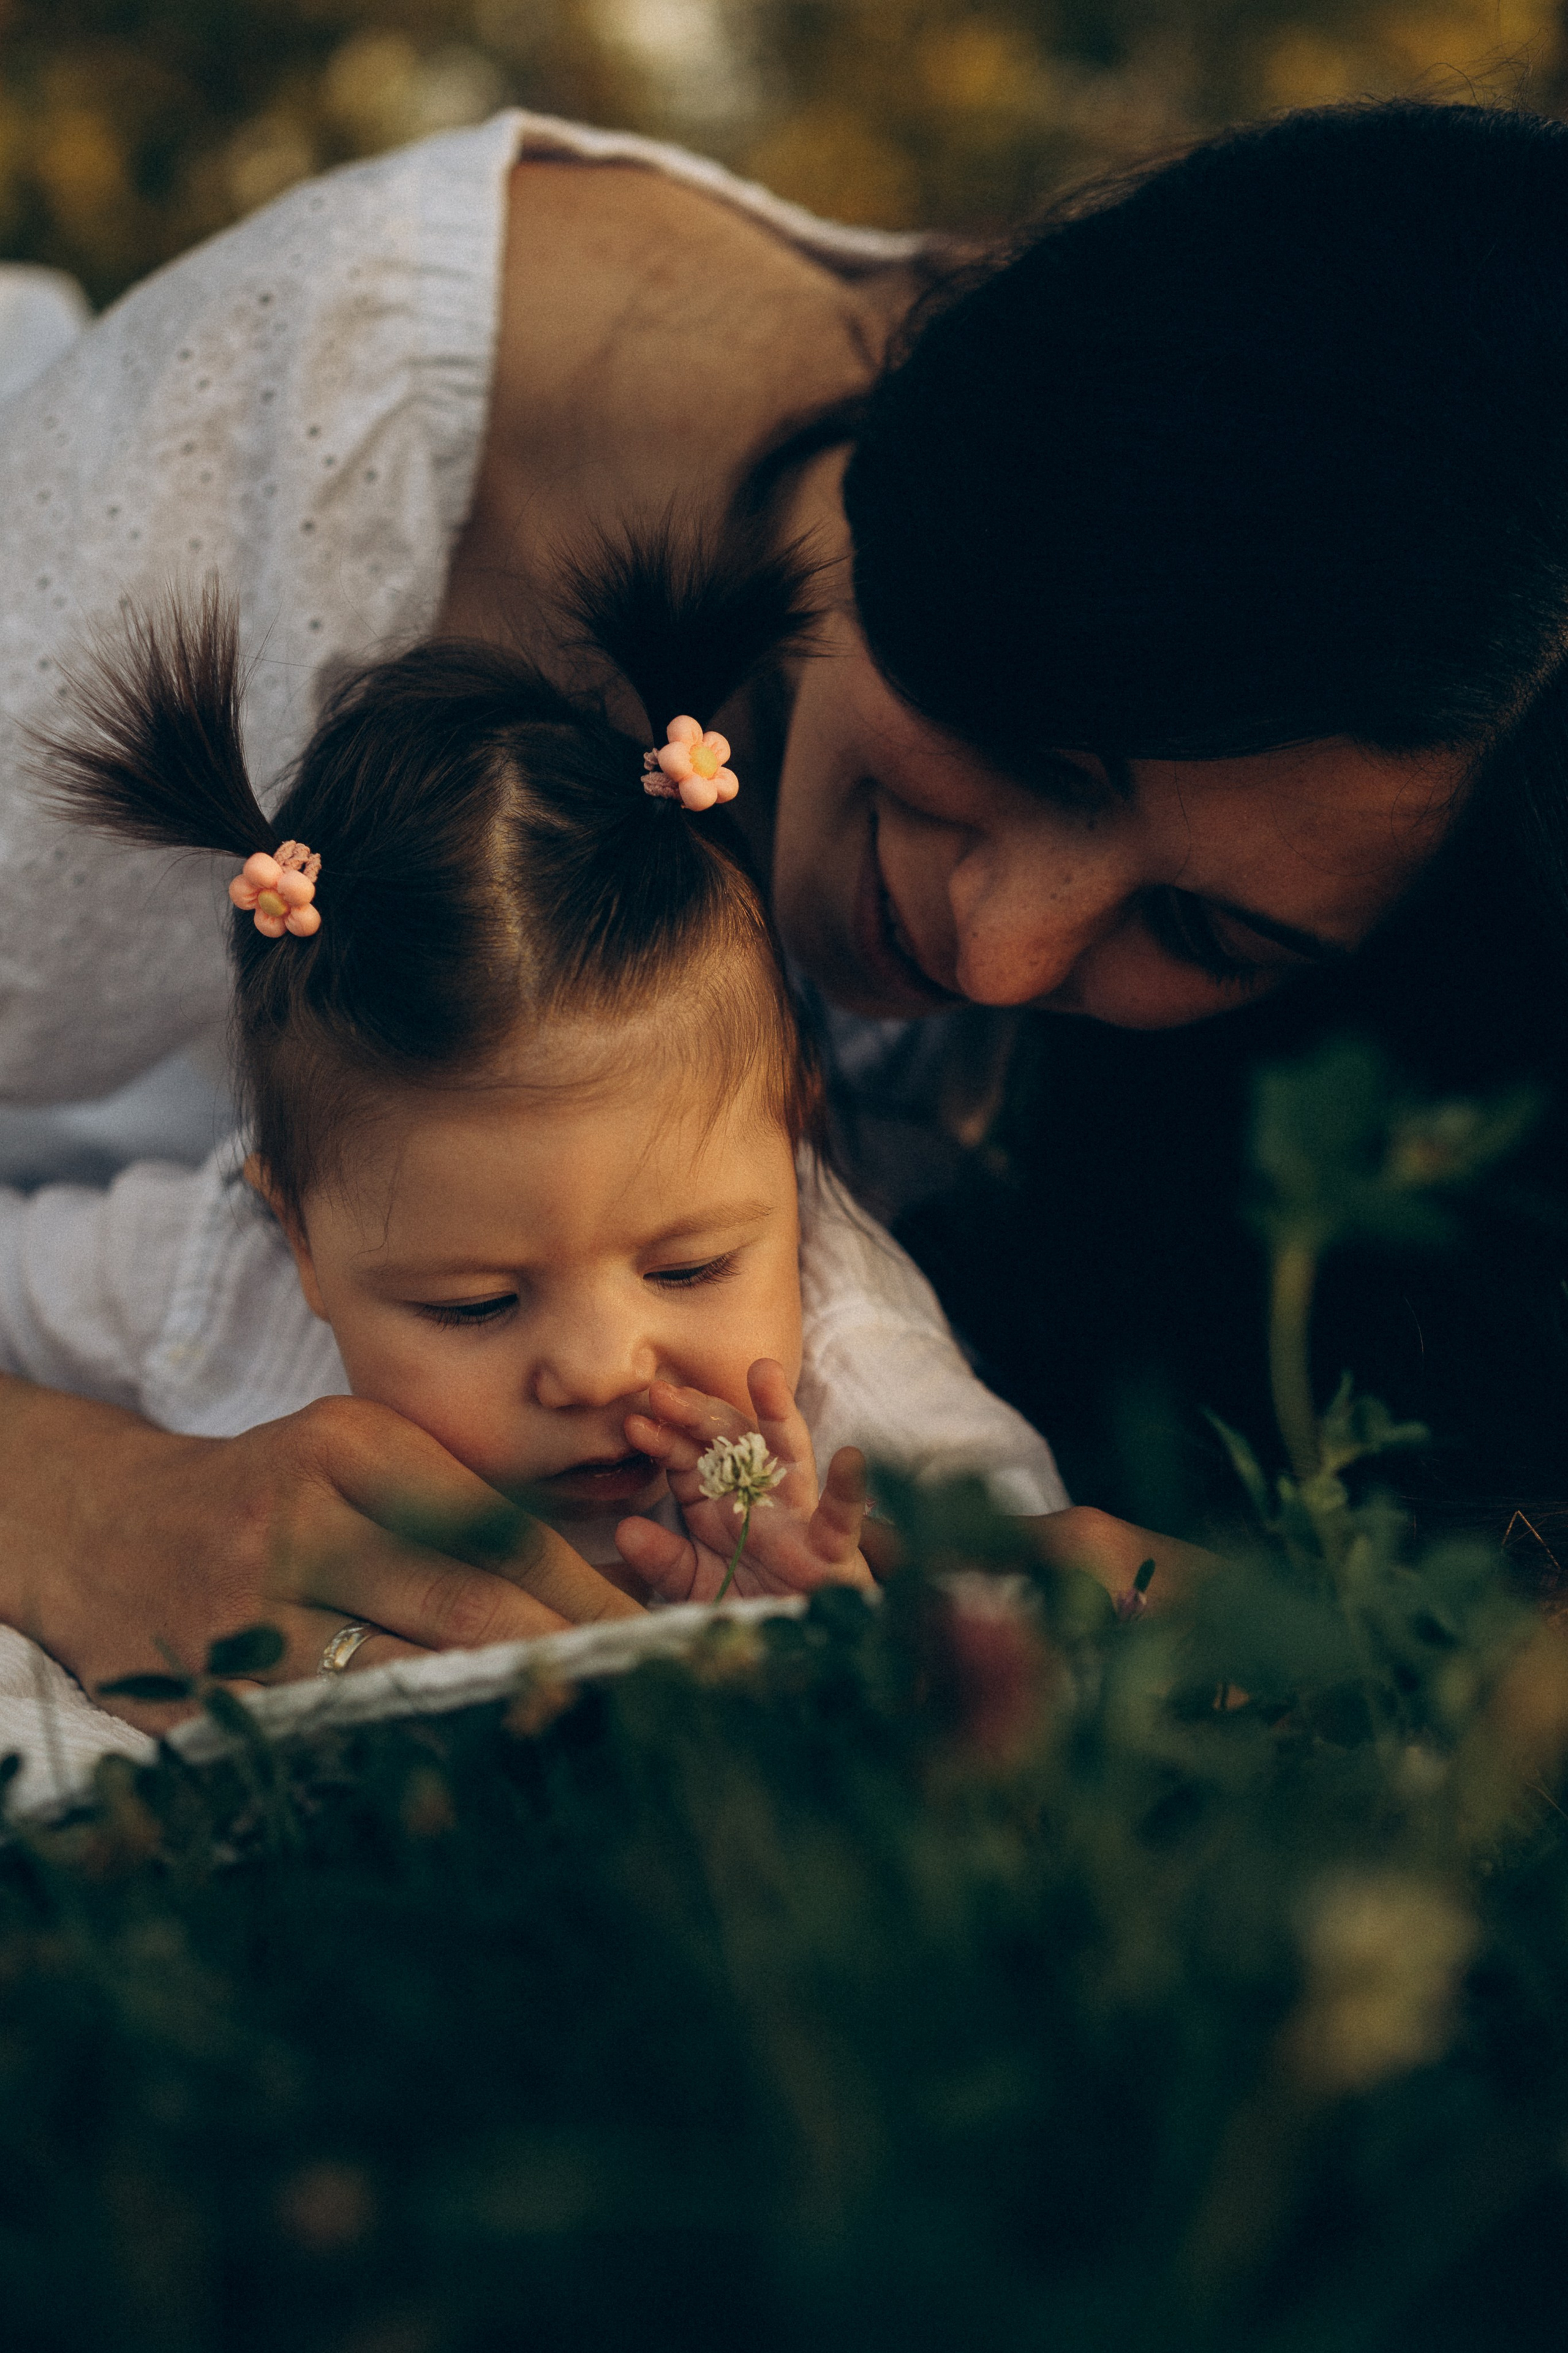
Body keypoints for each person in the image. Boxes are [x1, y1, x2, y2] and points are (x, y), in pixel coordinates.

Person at [2, 95, 1567, 1690]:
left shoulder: (809, 1326)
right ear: (984, 494)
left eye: (1206, 931)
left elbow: (833, 1483)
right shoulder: (301, 439)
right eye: (1048, 753)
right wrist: (69, 1493)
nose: (998, 951)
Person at [0, 534, 1063, 1725]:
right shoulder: (209, 1269)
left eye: (690, 1265)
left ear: (792, 1152)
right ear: (293, 1231)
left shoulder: (848, 1380)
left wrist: (851, 1613)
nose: (601, 1366)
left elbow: (1043, 1601)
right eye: (474, 1303)